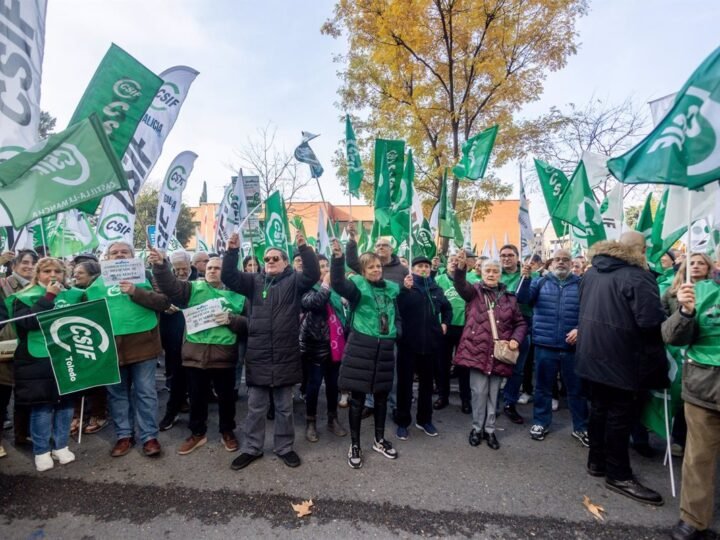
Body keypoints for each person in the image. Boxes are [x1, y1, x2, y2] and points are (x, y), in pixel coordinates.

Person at [575, 231, 667, 506]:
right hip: (624, 360)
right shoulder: (638, 277)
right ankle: (618, 474)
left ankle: (597, 461)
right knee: (619, 416)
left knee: (600, 410)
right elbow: (651, 323)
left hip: (593, 355)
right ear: (639, 250)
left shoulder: (591, 273)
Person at [221, 230, 319, 470]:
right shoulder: (253, 281)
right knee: (255, 408)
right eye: (267, 258)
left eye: (276, 258)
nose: (271, 261)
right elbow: (229, 276)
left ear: (286, 262)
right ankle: (252, 448)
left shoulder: (294, 281)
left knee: (285, 408)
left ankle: (284, 447)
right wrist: (232, 251)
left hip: (286, 355)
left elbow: (313, 273)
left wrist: (304, 249)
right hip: (258, 355)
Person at [150, 249, 247, 455]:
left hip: (224, 357)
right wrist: (160, 266)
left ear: (227, 271)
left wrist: (233, 320)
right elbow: (169, 286)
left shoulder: (239, 296)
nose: (212, 271)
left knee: (226, 398)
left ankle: (227, 431)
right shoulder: (193, 288)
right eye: (209, 267)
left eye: (217, 268)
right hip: (195, 356)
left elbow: (250, 324)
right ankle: (197, 433)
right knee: (196, 397)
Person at [85, 241, 170, 458]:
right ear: (106, 258)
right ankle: (124, 435)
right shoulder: (95, 283)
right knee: (117, 394)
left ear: (133, 256)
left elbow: (163, 302)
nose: (120, 255)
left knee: (146, 392)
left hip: (144, 344)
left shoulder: (147, 276)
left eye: (125, 252)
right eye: (115, 253)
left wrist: (135, 291)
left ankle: (149, 437)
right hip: (111, 347)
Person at [10, 257, 84, 471]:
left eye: (58, 271)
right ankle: (41, 450)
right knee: (42, 405)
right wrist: (49, 296)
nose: (53, 275)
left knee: (66, 403)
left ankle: (60, 445)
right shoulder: (23, 297)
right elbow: (27, 323)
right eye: (47, 271)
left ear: (65, 274)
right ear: (37, 274)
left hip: (67, 355)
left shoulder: (76, 295)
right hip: (37, 358)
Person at [330, 239, 399, 469]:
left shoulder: (390, 288)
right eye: (371, 267)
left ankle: (379, 440)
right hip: (361, 349)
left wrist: (398, 331)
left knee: (380, 398)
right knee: (358, 400)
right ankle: (355, 444)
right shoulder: (357, 288)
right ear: (362, 270)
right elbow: (338, 283)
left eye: (378, 266)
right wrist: (338, 258)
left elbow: (396, 315)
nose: (376, 270)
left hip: (385, 350)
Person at [663, 275, 720, 540]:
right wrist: (685, 312)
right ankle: (693, 519)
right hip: (704, 387)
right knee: (698, 458)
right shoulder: (698, 291)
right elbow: (671, 336)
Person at [453, 253, 527, 450]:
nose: (492, 274)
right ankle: (476, 429)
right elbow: (460, 285)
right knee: (478, 393)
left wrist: (515, 339)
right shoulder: (474, 292)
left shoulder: (510, 299)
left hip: (499, 353)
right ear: (481, 272)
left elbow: (520, 323)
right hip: (476, 351)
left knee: (494, 394)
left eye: (495, 271)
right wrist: (460, 268)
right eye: (488, 271)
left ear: (500, 274)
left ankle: (490, 430)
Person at [517, 249, 588, 446]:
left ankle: (581, 427)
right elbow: (522, 299)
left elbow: (590, 311)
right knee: (542, 388)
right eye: (557, 259)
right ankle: (541, 422)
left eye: (566, 260)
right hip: (545, 344)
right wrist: (525, 278)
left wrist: (580, 329)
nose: (561, 263)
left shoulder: (581, 284)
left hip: (572, 347)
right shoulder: (540, 282)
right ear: (551, 262)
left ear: (571, 263)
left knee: (576, 390)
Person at [345, 229, 406, 419]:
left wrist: (398, 329)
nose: (381, 247)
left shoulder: (402, 270)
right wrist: (352, 241)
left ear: (391, 249)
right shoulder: (367, 267)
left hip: (389, 330)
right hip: (369, 331)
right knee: (369, 370)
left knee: (390, 372)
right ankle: (370, 404)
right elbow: (351, 262)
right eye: (378, 245)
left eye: (384, 245)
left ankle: (393, 404)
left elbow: (402, 299)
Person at [661, 253, 714, 458]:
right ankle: (679, 438)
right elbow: (663, 321)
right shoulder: (672, 293)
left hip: (706, 355)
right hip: (678, 353)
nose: (696, 266)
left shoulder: (715, 292)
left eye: (701, 263)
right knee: (682, 396)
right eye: (692, 263)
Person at [395, 256, 451, 439]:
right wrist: (404, 290)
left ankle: (424, 420)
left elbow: (447, 308)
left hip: (431, 345)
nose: (424, 269)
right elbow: (398, 309)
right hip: (408, 345)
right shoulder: (406, 289)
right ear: (413, 269)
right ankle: (403, 421)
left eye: (426, 266)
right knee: (405, 386)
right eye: (419, 266)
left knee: (427, 386)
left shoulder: (436, 289)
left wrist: (445, 323)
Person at [299, 254, 348, 442]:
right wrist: (326, 285)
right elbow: (315, 303)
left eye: (327, 266)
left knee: (333, 385)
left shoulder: (337, 290)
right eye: (321, 266)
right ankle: (310, 421)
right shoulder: (306, 288)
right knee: (314, 385)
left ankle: (332, 418)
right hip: (316, 346)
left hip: (336, 346)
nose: (326, 269)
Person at [0, 249, 38, 448]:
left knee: (25, 393)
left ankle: (23, 436)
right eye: (25, 262)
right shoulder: (4, 284)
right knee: (2, 394)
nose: (29, 266)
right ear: (14, 265)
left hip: (29, 347)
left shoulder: (38, 287)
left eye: (33, 263)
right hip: (5, 347)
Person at [434, 253, 477, 413]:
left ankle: (466, 399)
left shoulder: (472, 278)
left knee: (464, 365)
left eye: (457, 260)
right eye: (451, 260)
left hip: (465, 327)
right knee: (442, 364)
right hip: (444, 327)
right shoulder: (438, 280)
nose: (454, 262)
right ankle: (442, 396)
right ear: (446, 264)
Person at [70, 261, 108, 436]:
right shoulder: (73, 292)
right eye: (74, 272)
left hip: (97, 339)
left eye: (80, 273)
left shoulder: (101, 290)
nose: (75, 275)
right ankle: (78, 415)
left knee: (96, 380)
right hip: (76, 339)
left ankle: (98, 414)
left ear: (93, 275)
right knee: (77, 379)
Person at [158, 251, 192, 432]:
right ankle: (173, 410)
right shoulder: (165, 284)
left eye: (184, 268)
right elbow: (156, 302)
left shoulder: (201, 282)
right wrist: (164, 308)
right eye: (177, 269)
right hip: (173, 338)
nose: (180, 272)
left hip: (196, 340)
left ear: (190, 266)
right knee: (176, 375)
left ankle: (197, 419)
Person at [498, 244, 532, 425]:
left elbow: (526, 299)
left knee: (517, 369)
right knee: (495, 366)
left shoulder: (526, 275)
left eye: (510, 255)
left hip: (522, 326)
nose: (506, 258)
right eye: (503, 255)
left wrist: (526, 280)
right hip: (500, 327)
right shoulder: (495, 274)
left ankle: (510, 403)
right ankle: (493, 403)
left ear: (517, 257)